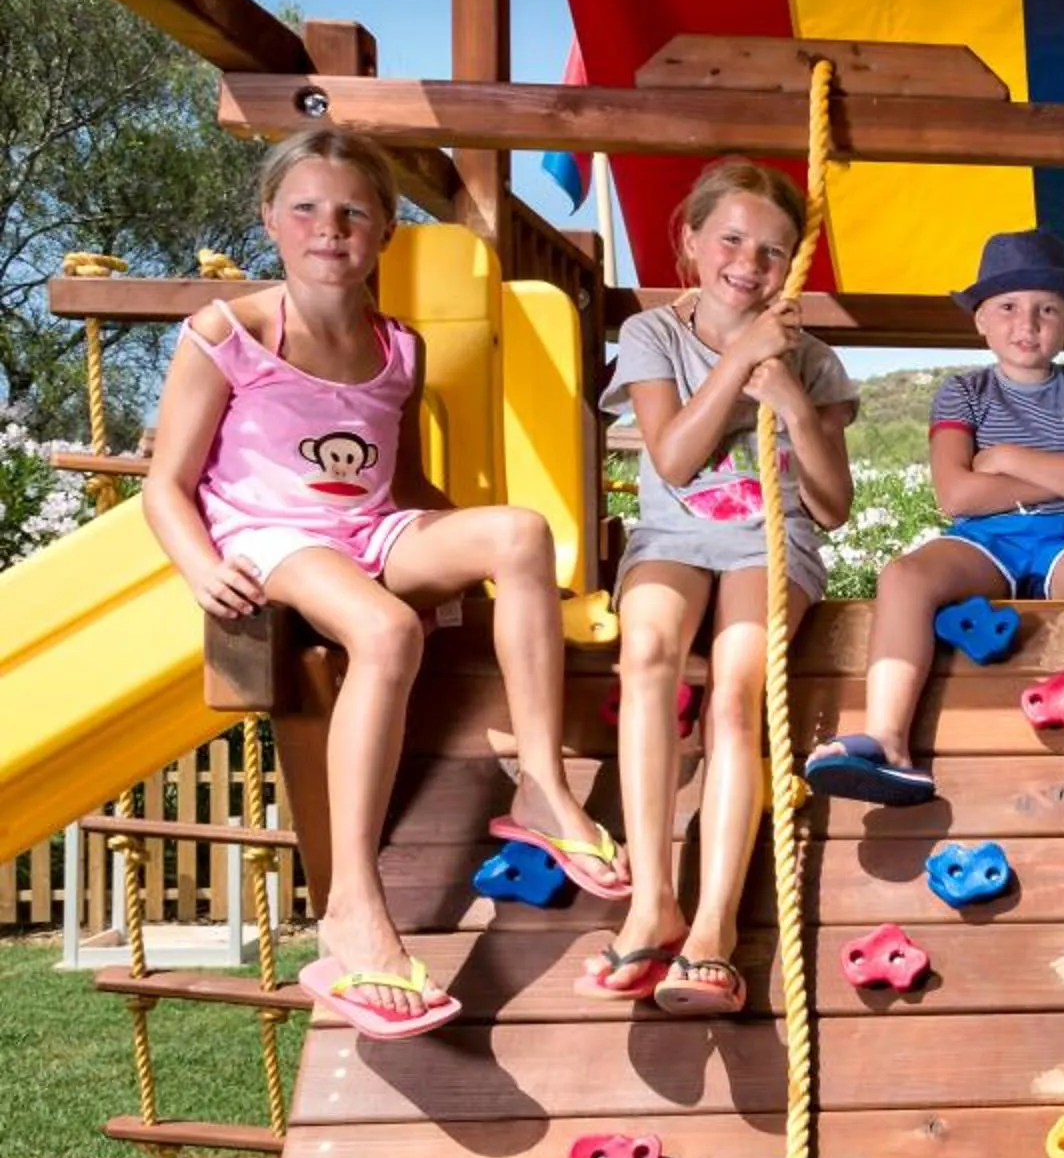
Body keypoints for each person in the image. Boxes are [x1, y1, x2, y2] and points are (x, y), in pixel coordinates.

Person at [143, 129, 622, 1041]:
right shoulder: (230, 334)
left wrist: (471, 562)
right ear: (271, 222)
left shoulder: (397, 348)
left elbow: (399, 491)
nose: (332, 228)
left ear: (386, 231)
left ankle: (541, 791)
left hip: (369, 528)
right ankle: (353, 909)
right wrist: (202, 569)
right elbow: (167, 485)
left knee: (521, 531)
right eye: (308, 210)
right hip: (273, 538)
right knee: (388, 633)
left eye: (355, 211)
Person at [586, 159, 856, 1016]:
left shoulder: (811, 362)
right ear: (692, 243)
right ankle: (652, 898)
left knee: (738, 695)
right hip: (674, 535)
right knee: (649, 655)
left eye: (774, 251)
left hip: (769, 541)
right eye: (732, 239)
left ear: (792, 268)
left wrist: (791, 398)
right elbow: (671, 458)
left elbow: (834, 505)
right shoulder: (652, 337)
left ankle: (714, 926)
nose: (750, 262)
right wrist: (741, 356)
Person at [804, 231, 1064, 817]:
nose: (1026, 323)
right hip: (985, 541)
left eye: (1047, 310)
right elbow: (958, 493)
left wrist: (1006, 459)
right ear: (980, 320)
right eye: (1007, 308)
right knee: (904, 576)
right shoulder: (963, 393)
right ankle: (887, 740)